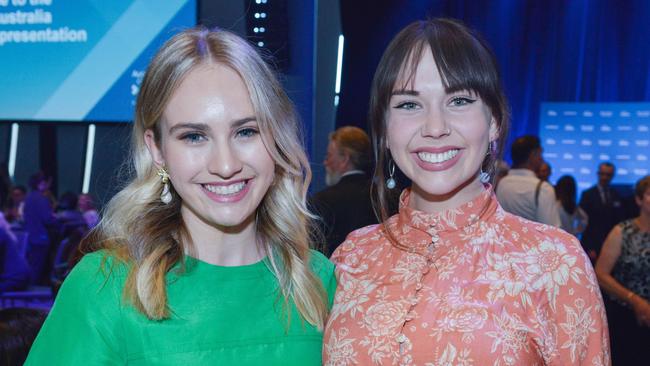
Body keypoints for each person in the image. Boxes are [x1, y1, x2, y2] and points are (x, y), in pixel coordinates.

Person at [26, 27, 335, 365]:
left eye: (246, 131)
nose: (226, 164)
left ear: (276, 137)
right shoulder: (105, 287)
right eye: (194, 137)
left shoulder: (317, 281)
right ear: (157, 150)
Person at [323, 18, 608, 365]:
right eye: (409, 104)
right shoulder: (351, 257)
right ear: (384, 129)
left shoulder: (555, 262)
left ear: (494, 121)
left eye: (458, 100)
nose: (435, 127)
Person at [595, 175, 650, 364]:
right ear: (639, 199)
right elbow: (600, 274)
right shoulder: (622, 231)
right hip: (626, 317)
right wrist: (635, 301)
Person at [310, 126, 377, 256]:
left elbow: (312, 255)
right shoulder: (389, 198)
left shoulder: (322, 201)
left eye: (328, 156)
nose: (325, 162)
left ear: (344, 159)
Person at [496, 135, 560, 226]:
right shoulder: (543, 188)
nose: (542, 159)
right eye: (540, 154)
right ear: (533, 155)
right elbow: (553, 230)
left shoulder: (502, 183)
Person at [580, 162, 625, 261]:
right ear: (598, 174)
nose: (604, 177)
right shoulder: (587, 195)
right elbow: (584, 223)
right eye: (602, 174)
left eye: (608, 175)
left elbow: (618, 221)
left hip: (612, 243)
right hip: (593, 245)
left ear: (612, 176)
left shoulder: (616, 195)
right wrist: (588, 246)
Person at [22, 172, 58, 285]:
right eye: (48, 183)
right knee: (37, 267)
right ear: (42, 183)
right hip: (40, 237)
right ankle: (32, 294)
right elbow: (47, 219)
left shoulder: (28, 197)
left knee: (31, 264)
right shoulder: (41, 199)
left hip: (29, 236)